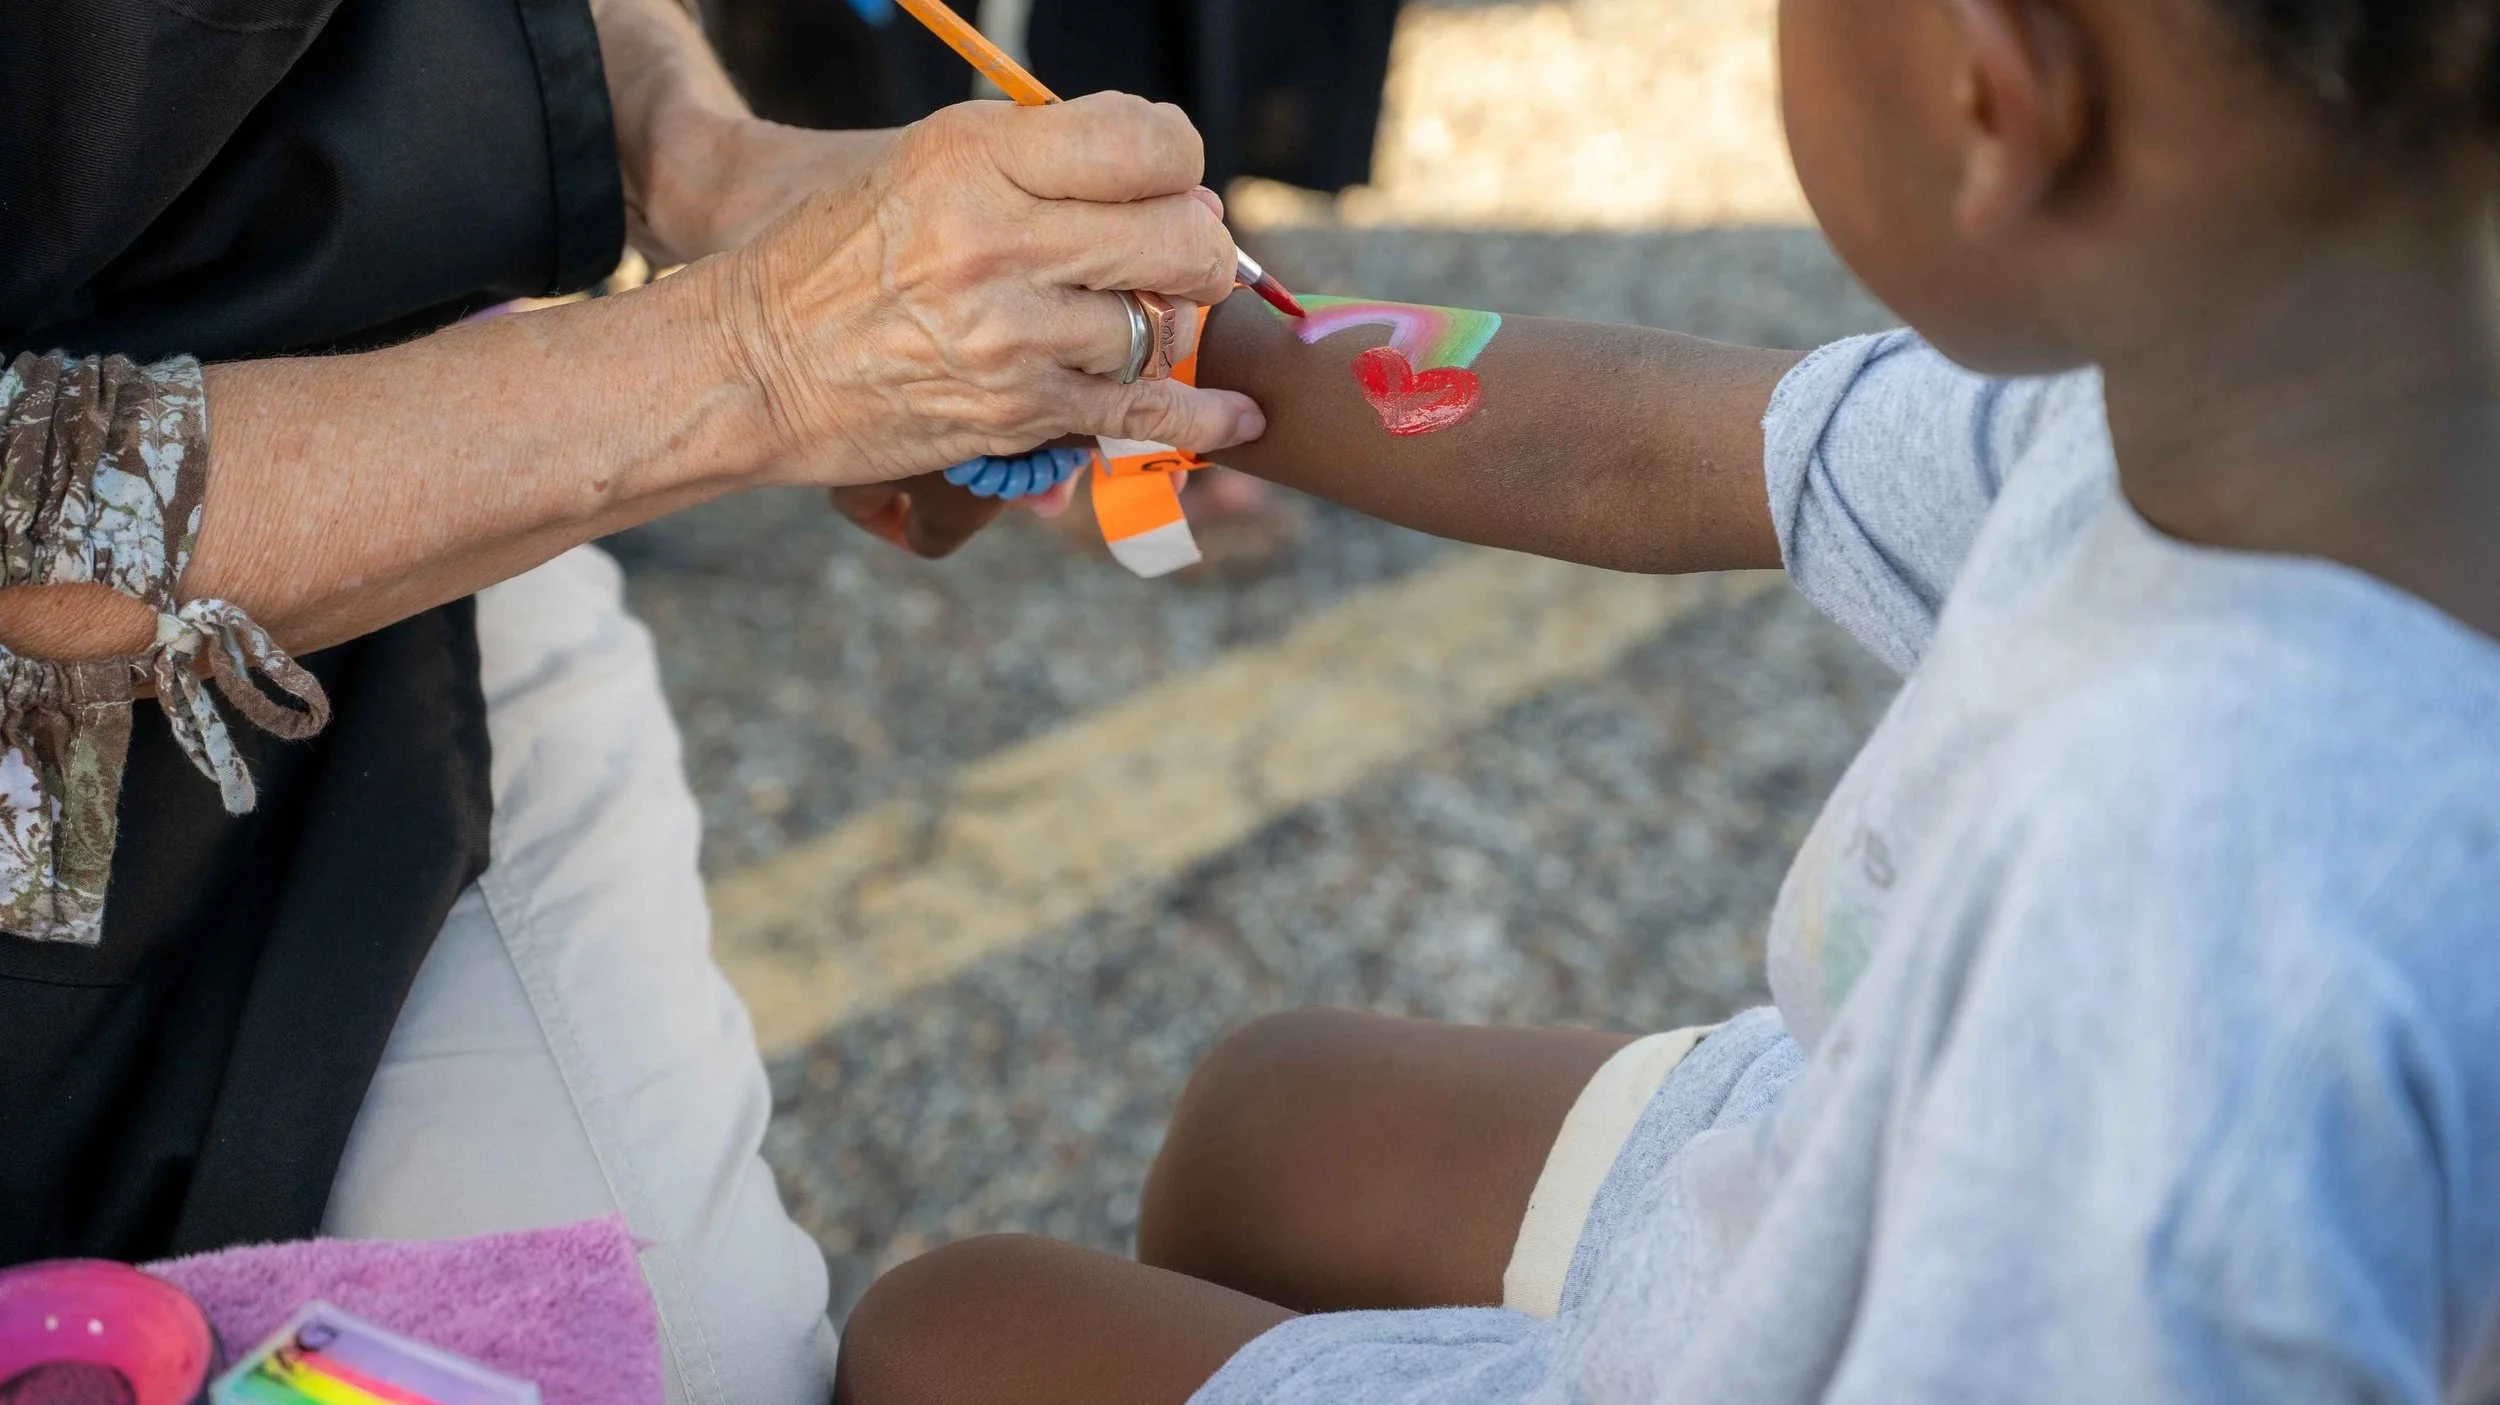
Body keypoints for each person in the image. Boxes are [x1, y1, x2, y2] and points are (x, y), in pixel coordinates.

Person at [826, 0, 2500, 1397]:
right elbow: (1658, 442)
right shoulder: (2235, 411)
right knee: (1260, 1116)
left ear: (1993, 96)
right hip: (1833, 1163)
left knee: (937, 1338)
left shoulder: (2179, 932)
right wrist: (1157, 342)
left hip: (1825, 1327)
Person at [0, 2, 1258, 1402]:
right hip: (64, 810)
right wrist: (763, 354)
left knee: (704, 1358)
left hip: (413, 612)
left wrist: (704, 161)